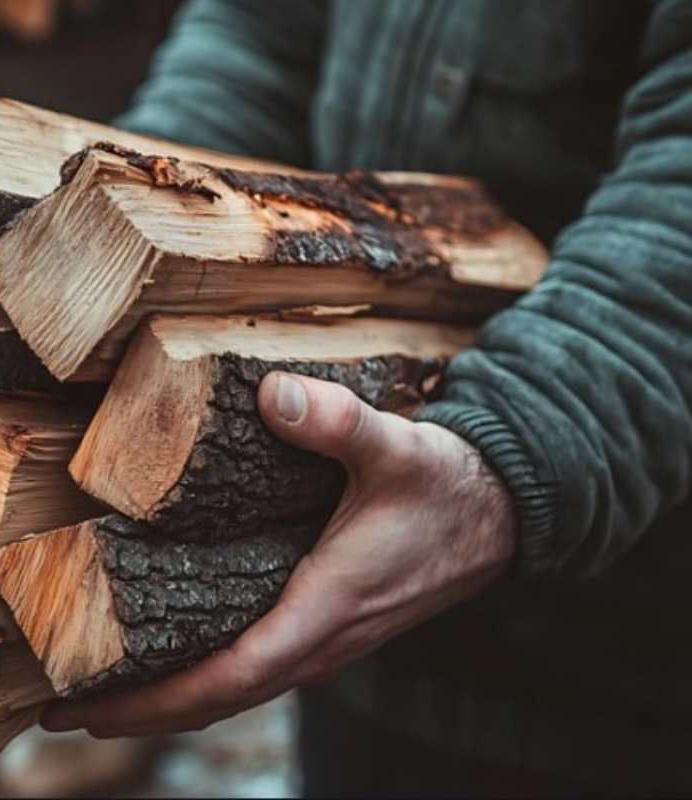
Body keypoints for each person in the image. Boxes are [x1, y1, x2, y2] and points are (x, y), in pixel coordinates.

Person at [40, 1, 692, 794]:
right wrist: (120, 235)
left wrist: (514, 446)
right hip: (352, 634)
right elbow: (260, 35)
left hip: (621, 668)